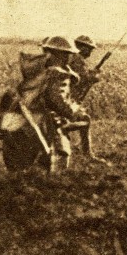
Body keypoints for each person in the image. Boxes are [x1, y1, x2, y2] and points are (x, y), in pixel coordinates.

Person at [35, 36, 89, 174]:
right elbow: (57, 99)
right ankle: (56, 180)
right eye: (67, 54)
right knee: (63, 151)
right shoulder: (58, 73)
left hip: (34, 113)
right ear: (61, 54)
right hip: (48, 118)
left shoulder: (37, 69)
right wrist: (72, 113)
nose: (69, 57)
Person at [69, 35, 107, 164]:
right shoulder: (78, 59)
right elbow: (82, 79)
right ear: (82, 47)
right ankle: (87, 153)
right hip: (66, 99)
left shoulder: (70, 57)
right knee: (85, 119)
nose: (90, 52)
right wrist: (94, 77)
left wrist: (91, 73)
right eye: (89, 49)